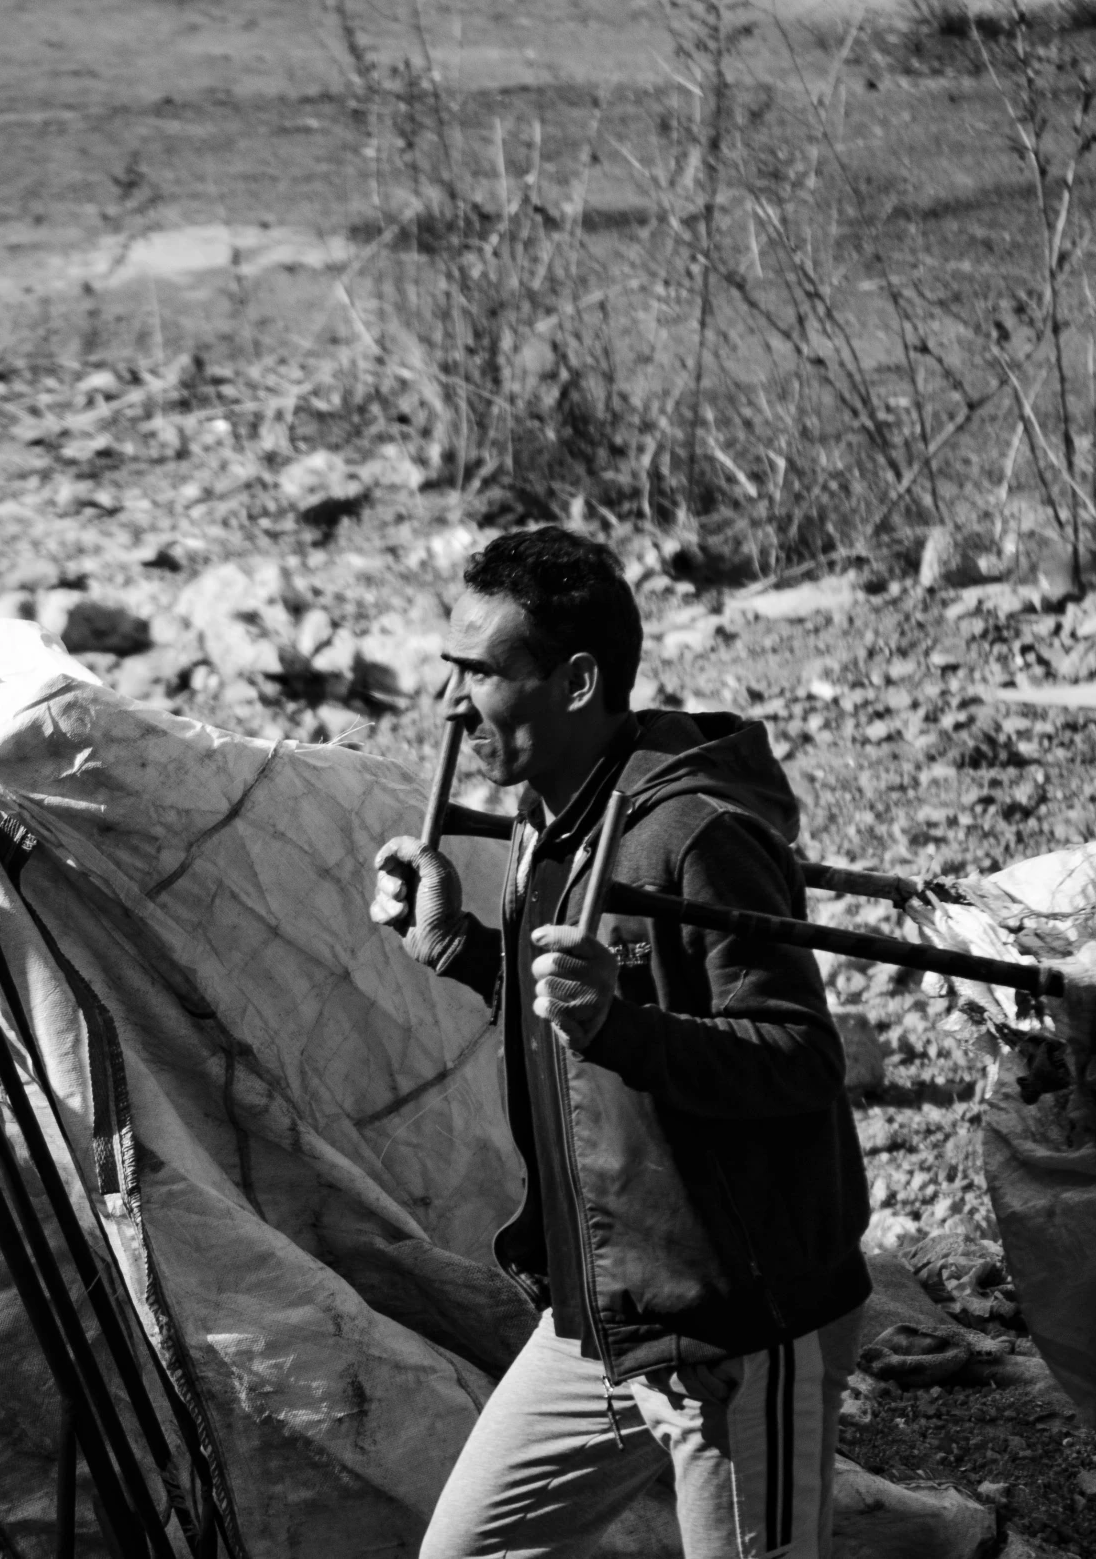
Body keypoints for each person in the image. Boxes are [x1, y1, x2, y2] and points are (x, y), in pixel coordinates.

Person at [371, 526, 871, 1559]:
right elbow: (577, 1017)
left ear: (577, 680)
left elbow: (801, 1056)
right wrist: (462, 947)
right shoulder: (550, 815)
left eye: (481, 674)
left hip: (738, 1327)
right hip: (605, 1313)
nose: (451, 705)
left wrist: (624, 1024)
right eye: (449, 672)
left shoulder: (691, 833)